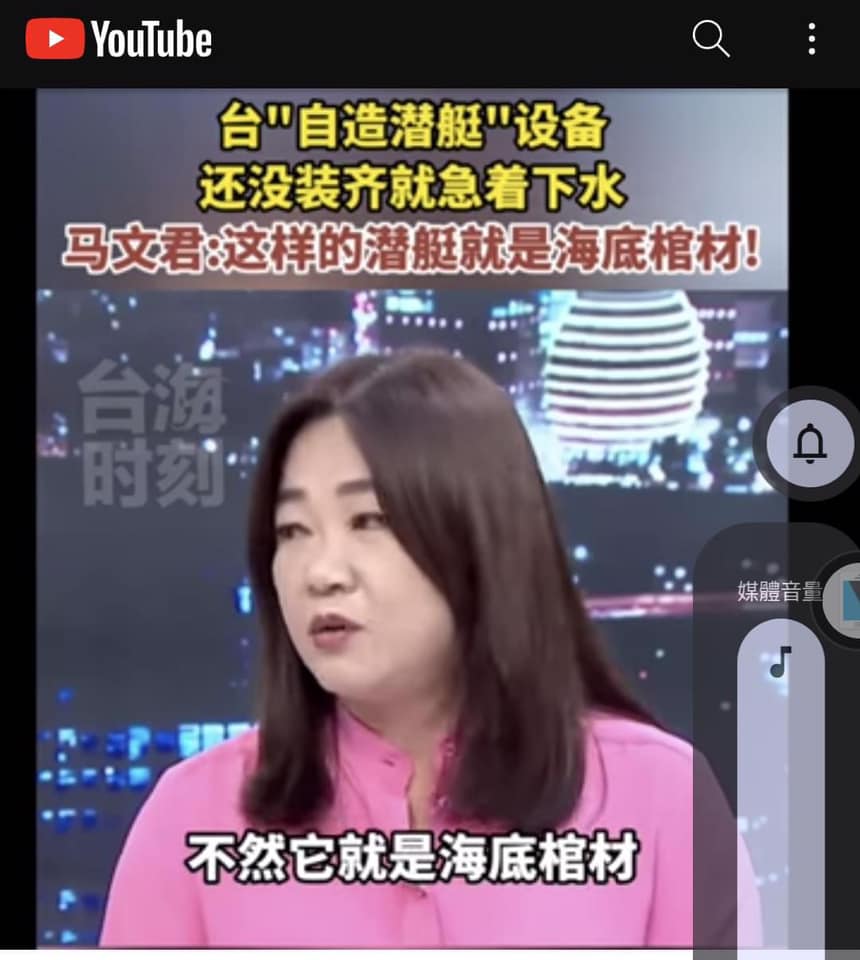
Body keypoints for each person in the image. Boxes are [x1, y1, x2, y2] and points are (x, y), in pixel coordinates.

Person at [99, 347, 760, 948]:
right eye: (293, 530)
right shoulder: (193, 817)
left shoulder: (662, 799)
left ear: (480, 537)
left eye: (368, 520)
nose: (320, 572)